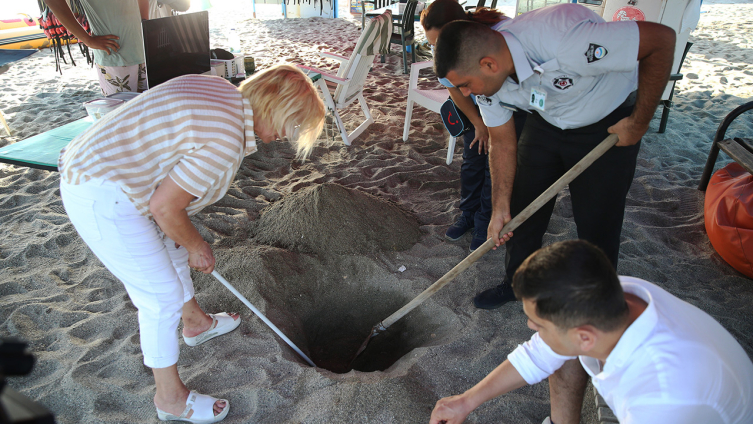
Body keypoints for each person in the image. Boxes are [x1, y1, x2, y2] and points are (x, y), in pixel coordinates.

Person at [58, 65, 325, 423]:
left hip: (102, 168)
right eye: (289, 123)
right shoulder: (226, 134)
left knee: (173, 252)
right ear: (275, 105)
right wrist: (198, 245)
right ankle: (169, 399)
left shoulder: (219, 90)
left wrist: (187, 243)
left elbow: (165, 186)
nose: (282, 136)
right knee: (160, 297)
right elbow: (165, 208)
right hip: (102, 192)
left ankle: (195, 323)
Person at [433, 4, 676, 309]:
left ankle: (596, 298)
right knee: (520, 210)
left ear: (489, 64)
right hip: (546, 119)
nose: (464, 94)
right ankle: (518, 284)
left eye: (464, 85)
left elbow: (661, 40)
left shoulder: (564, 40)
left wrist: (639, 122)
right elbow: (503, 143)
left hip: (608, 121)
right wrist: (498, 208)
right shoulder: (486, 84)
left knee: (597, 220)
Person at [430, 240, 753, 424]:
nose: (530, 328)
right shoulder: (616, 292)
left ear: (586, 336)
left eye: (537, 323)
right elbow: (541, 352)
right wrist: (465, 401)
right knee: (561, 348)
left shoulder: (662, 398)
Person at [420, 0, 526, 252]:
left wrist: (494, 128)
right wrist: (478, 123)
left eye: (440, 43)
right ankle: (468, 213)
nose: (437, 51)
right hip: (476, 102)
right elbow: (454, 88)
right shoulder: (446, 55)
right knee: (472, 158)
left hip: (509, 102)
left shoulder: (495, 36)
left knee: (494, 164)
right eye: (432, 45)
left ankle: (484, 221)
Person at [45, 0, 149, 95]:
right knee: (121, 111)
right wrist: (87, 40)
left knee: (150, 109)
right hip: (114, 56)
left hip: (144, 49)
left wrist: (145, 23)